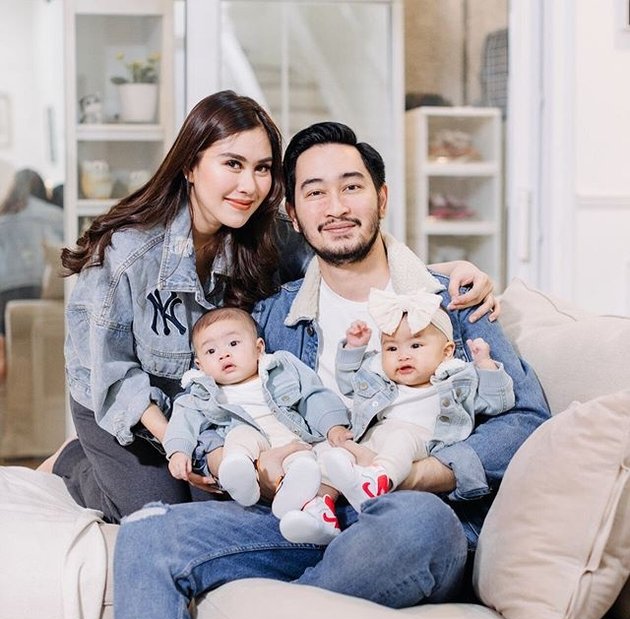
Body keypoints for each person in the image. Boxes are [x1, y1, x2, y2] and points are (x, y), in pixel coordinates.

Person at [113, 121, 550, 619]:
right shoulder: (271, 318)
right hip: (299, 515)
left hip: (405, 518)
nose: (335, 206)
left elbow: (528, 423)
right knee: (145, 538)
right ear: (293, 215)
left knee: (420, 524)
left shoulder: (452, 304)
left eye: (352, 186)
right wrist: (238, 458)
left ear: (381, 197)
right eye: (314, 192)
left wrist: (418, 474)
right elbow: (216, 408)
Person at [38, 91, 496, 523]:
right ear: (191, 166)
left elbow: (346, 253)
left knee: (217, 509)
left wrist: (444, 270)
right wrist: (189, 447)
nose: (249, 185)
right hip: (124, 404)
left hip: (211, 402)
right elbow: (115, 375)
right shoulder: (125, 254)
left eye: (262, 169)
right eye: (232, 164)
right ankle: (75, 458)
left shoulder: (266, 233)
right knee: (153, 511)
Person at [164, 305, 351, 543]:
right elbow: (182, 422)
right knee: (240, 435)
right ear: (200, 365)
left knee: (313, 463)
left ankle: (311, 515)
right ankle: (238, 473)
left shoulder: (280, 368)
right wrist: (178, 451)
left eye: (233, 344)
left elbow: (313, 396)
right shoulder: (202, 393)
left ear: (259, 348)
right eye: (211, 351)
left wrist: (333, 426)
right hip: (256, 448)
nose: (224, 354)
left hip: (295, 440)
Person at [319, 287, 515, 514]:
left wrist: (486, 365)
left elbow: (498, 403)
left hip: (420, 443)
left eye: (415, 346)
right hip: (375, 438)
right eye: (392, 348)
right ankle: (320, 506)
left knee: (401, 440)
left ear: (447, 351)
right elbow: (349, 383)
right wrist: (354, 348)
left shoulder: (459, 380)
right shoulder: (381, 378)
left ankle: (378, 481)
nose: (403, 355)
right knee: (336, 453)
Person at [0, 161, 64, 382]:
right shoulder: (56, 215)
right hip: (39, 291)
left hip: (4, 292)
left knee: (11, 342)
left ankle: (6, 362)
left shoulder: (3, 217)